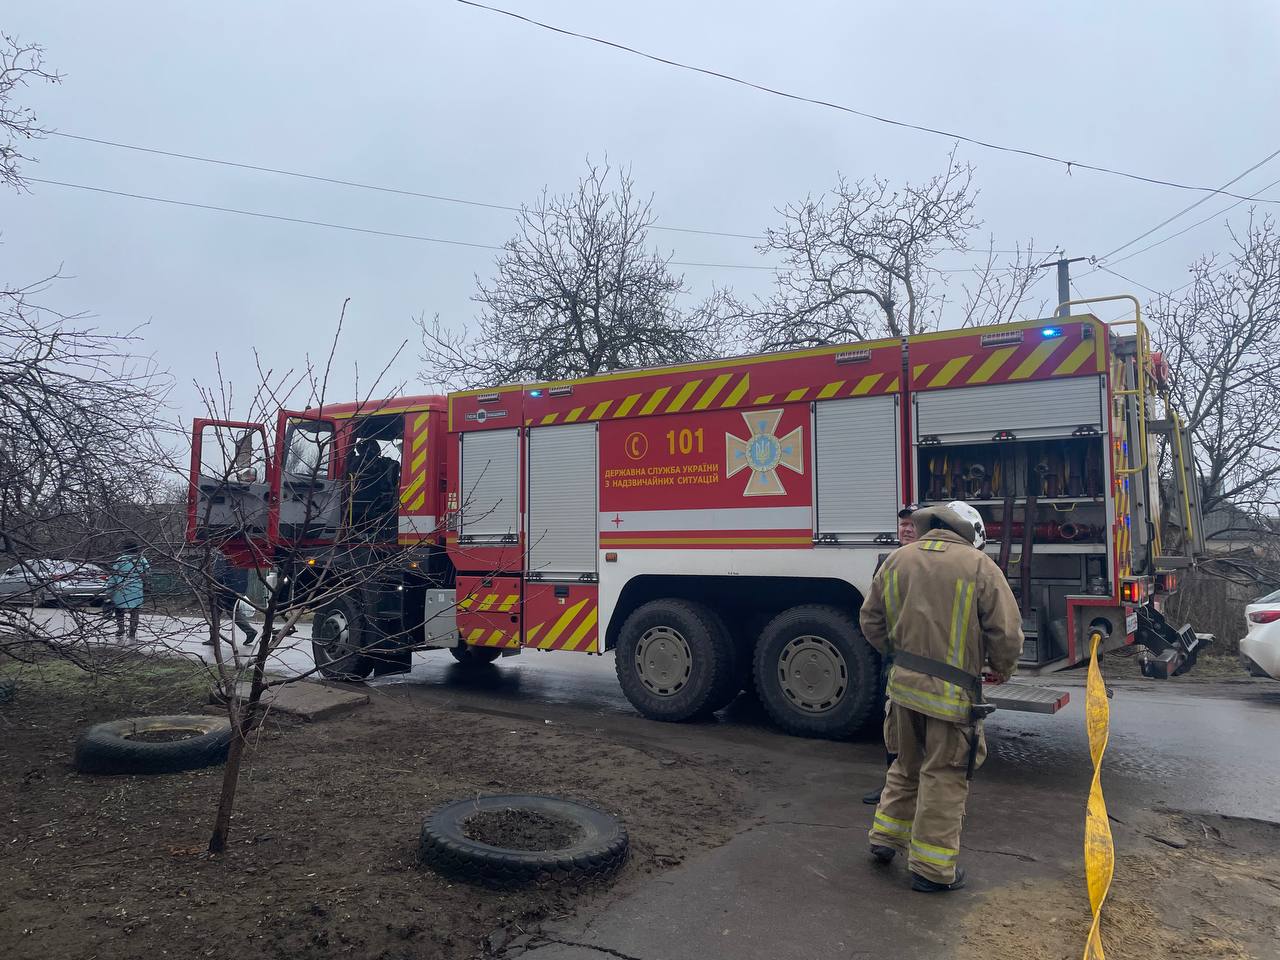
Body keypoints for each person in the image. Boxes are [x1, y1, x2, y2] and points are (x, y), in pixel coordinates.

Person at [860, 501, 1022, 892]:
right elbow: (1007, 633)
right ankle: (931, 870)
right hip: (951, 698)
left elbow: (870, 619)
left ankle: (885, 839)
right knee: (944, 775)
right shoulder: (980, 566)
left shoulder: (898, 560)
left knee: (905, 764)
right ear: (973, 533)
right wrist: (1002, 667)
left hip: (902, 688)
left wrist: (898, 656)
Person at [862, 504, 919, 805]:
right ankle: (892, 787)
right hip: (896, 657)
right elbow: (873, 612)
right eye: (903, 525)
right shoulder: (887, 561)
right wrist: (888, 650)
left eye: (912, 524)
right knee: (894, 725)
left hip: (926, 657)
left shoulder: (934, 563)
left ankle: (924, 790)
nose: (907, 529)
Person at [204, 552, 257, 647]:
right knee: (231, 611)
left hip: (223, 588)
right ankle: (249, 631)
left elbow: (219, 573)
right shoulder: (243, 553)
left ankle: (214, 638)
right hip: (237, 588)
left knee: (216, 611)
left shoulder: (224, 553)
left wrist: (214, 584)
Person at [106, 541, 150, 641]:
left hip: (121, 588)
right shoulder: (142, 559)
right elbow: (148, 572)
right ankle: (132, 633)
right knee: (135, 611)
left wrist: (109, 590)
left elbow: (113, 576)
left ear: (125, 549)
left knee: (119, 609)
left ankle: (121, 628)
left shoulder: (120, 560)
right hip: (136, 589)